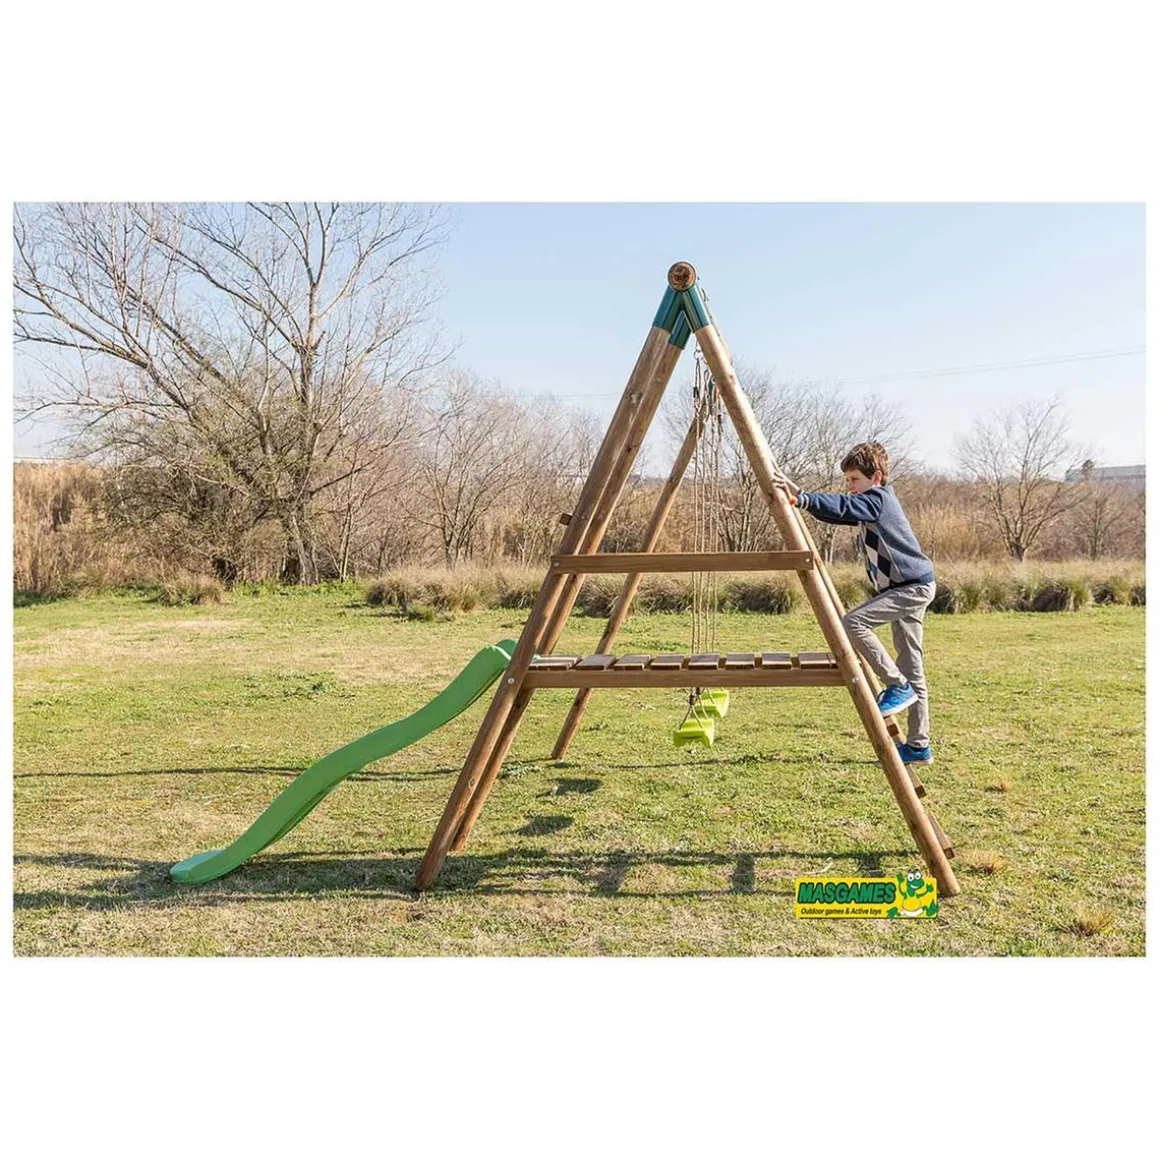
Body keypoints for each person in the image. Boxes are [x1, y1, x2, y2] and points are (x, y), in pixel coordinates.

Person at [776, 442, 937, 765]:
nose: (849, 486)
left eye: (854, 480)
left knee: (853, 622)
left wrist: (804, 497)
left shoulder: (878, 499)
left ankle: (897, 685)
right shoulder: (869, 504)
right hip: (908, 587)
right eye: (847, 480)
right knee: (912, 666)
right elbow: (837, 512)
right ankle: (919, 746)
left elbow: (844, 506)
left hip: (911, 588)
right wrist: (801, 500)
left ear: (875, 477)